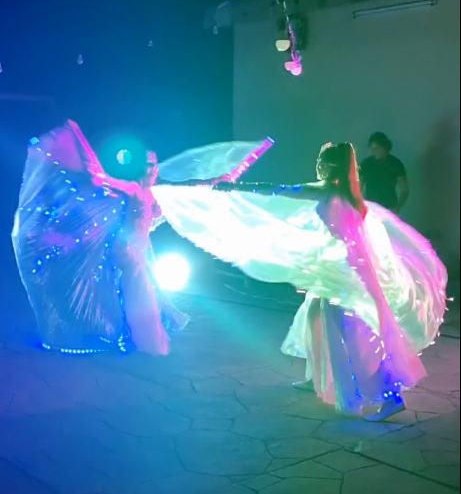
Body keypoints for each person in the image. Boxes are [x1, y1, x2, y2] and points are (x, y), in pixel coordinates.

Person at [152, 143, 448, 420]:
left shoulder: (332, 192)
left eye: (323, 162)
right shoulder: (346, 194)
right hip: (341, 270)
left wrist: (236, 187)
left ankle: (389, 394)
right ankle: (319, 377)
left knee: (354, 333)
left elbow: (279, 191)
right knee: (315, 317)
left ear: (333, 167)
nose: (318, 166)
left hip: (347, 275)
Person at [13, 120, 272, 357]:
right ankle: (145, 340)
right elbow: (100, 179)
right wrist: (80, 143)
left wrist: (231, 173)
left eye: (155, 164)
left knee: (134, 290)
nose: (153, 169)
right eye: (148, 165)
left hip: (141, 247)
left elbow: (195, 185)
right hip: (128, 249)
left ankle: (131, 334)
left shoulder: (158, 190)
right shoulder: (134, 188)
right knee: (139, 291)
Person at [360, 132, 409, 214]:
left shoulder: (396, 164)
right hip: (370, 208)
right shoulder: (366, 163)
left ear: (385, 147)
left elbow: (404, 189)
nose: (374, 152)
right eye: (372, 149)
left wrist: (397, 207)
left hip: (389, 208)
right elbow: (358, 186)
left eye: (377, 149)